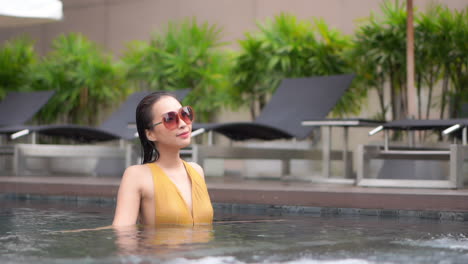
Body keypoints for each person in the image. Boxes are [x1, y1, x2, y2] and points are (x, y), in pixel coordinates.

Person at [112, 91, 213, 227]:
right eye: (170, 119)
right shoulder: (137, 176)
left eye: (184, 114)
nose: (183, 124)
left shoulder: (197, 171)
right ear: (150, 134)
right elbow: (122, 233)